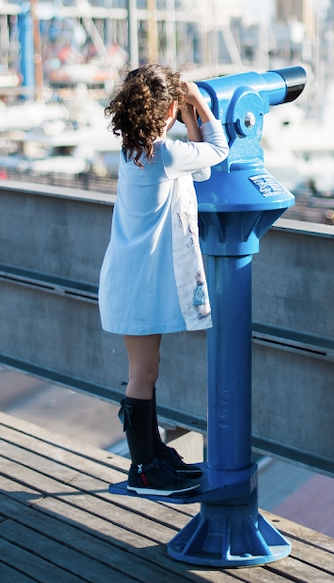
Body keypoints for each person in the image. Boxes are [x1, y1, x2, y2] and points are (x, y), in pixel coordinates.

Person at [98, 64, 229, 496]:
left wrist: (185, 112)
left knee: (147, 370)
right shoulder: (164, 156)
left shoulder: (138, 152)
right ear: (168, 109)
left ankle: (154, 455)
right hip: (137, 284)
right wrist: (200, 104)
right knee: (142, 373)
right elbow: (218, 151)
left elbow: (200, 169)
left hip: (132, 280)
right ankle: (144, 470)